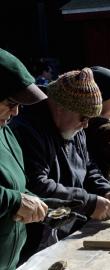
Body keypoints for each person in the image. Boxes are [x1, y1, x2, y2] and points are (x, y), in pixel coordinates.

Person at [10, 67, 110, 262]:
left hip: (67, 225)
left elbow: (89, 167)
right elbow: (37, 185)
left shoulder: (75, 125)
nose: (86, 125)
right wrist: (89, 202)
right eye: (84, 118)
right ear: (60, 106)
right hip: (36, 238)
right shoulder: (27, 130)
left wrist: (106, 190)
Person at [0, 48, 48, 270]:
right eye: (11, 102)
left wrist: (30, 199)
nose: (16, 112)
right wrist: (15, 201)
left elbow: (13, 183)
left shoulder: (6, 131)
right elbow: (10, 197)